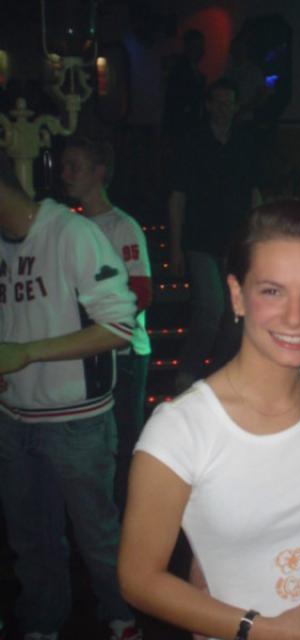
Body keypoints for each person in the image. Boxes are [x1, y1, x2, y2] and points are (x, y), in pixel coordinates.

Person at [118, 200, 300, 640]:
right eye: (272, 291)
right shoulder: (181, 430)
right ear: (237, 295)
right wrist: (263, 629)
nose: (295, 316)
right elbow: (138, 579)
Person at [0, 152, 141, 640]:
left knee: (97, 534)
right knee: (30, 539)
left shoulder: (72, 234)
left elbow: (120, 327)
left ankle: (123, 616)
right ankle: (42, 621)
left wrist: (26, 352)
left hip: (76, 418)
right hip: (12, 417)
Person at [61, 137, 153, 514]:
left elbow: (141, 292)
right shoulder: (69, 227)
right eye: (64, 167)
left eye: (75, 167)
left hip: (124, 354)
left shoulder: (122, 226)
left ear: (99, 172)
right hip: (89, 351)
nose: (66, 175)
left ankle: (132, 520)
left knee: (125, 441)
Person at [168, 77, 261, 393]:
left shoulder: (245, 143)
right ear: (208, 106)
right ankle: (187, 374)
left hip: (235, 240)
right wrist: (175, 247)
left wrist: (257, 238)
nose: (223, 108)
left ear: (236, 107)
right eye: (218, 102)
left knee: (236, 317)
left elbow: (255, 192)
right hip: (200, 239)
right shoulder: (192, 142)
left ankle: (218, 379)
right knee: (210, 308)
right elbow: (177, 195)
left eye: (228, 102)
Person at [162, 29, 207, 144]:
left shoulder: (196, 72)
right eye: (195, 46)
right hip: (182, 125)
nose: (199, 50)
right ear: (187, 47)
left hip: (190, 124)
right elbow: (174, 100)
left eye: (200, 46)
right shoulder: (179, 70)